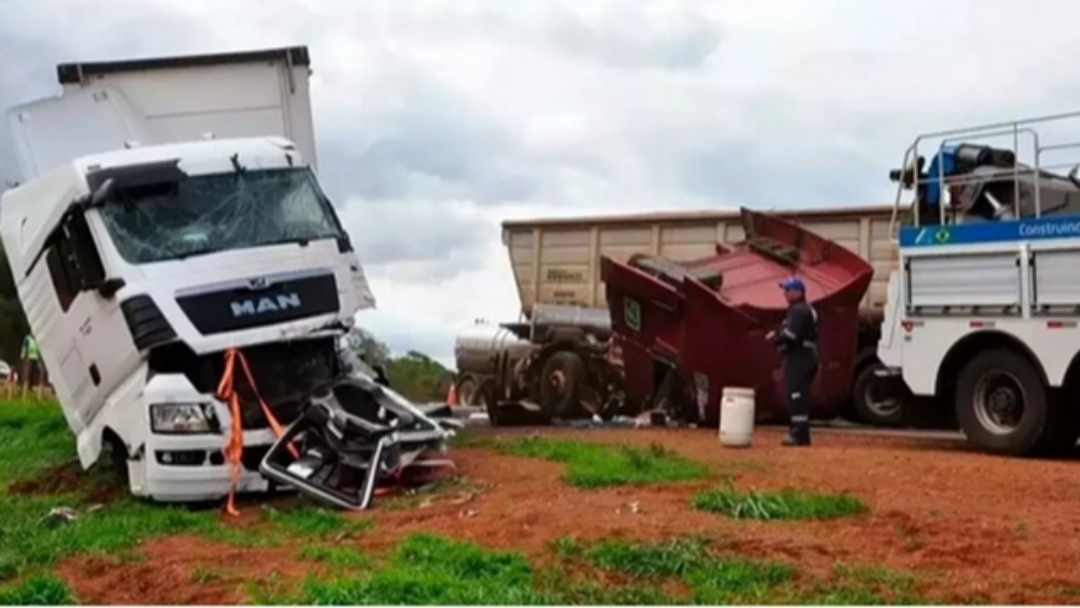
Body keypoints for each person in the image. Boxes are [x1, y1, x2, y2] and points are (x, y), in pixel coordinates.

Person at [766, 277, 819, 447]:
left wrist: (776, 338)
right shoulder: (803, 310)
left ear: (798, 292)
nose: (785, 293)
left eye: (788, 290)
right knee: (797, 393)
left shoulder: (799, 310)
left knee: (796, 395)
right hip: (804, 356)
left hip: (800, 357)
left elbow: (791, 335)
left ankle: (799, 434)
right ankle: (798, 432)